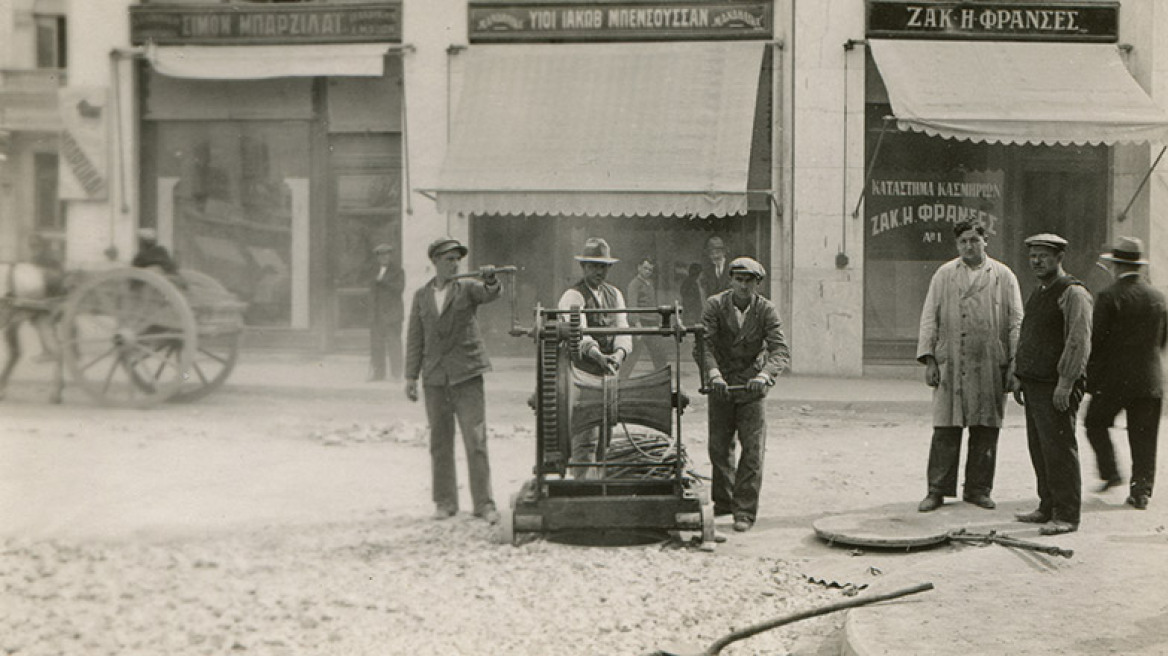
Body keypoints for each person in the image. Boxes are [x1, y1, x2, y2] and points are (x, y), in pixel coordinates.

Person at [916, 220, 1023, 512]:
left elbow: (1016, 322)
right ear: (956, 244)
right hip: (951, 361)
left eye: (974, 240)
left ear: (985, 241)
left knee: (986, 428)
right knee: (946, 428)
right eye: (963, 241)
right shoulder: (944, 275)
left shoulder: (1003, 276)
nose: (968, 246)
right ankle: (937, 490)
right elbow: (929, 317)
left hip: (990, 362)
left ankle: (978, 489)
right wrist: (929, 360)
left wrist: (1014, 364)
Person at [405, 237, 502, 523]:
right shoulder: (421, 297)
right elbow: (415, 339)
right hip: (435, 379)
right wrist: (410, 376)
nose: (455, 263)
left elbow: (490, 293)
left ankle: (484, 504)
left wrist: (492, 279)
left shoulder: (469, 289)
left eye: (457, 259)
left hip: (467, 376)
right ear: (435, 262)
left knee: (476, 441)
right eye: (448, 259)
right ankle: (445, 502)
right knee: (440, 442)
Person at [695, 257, 790, 532]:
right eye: (739, 279)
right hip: (721, 384)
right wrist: (713, 375)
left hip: (752, 386)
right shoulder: (714, 305)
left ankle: (745, 511)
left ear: (758, 284)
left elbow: (780, 350)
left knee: (752, 450)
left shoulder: (766, 310)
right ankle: (724, 502)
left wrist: (763, 376)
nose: (743, 285)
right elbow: (704, 345)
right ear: (731, 280)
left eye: (749, 280)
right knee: (719, 447)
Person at [1013, 233, 1093, 536]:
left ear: (1059, 258)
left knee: (1059, 449)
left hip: (1056, 385)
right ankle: (1047, 506)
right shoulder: (1040, 290)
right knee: (1041, 449)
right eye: (1032, 255)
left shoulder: (1073, 293)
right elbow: (1029, 334)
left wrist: (1066, 383)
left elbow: (1078, 342)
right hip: (1035, 384)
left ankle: (1067, 515)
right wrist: (1021, 375)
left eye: (1043, 256)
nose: (1036, 261)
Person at [1083, 236, 1167, 510]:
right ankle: (1141, 491)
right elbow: (1163, 340)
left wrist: (1090, 380)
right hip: (1149, 379)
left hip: (1115, 380)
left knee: (1094, 422)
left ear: (1116, 266)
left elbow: (1097, 342)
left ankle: (1111, 472)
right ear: (1139, 267)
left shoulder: (1109, 296)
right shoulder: (1159, 297)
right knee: (1145, 436)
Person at [558, 237, 632, 479]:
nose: (599, 271)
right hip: (582, 377)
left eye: (603, 266)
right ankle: (581, 487)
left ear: (609, 268)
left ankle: (601, 487)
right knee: (586, 438)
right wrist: (597, 355)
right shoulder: (573, 296)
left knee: (606, 438)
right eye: (593, 266)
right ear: (584, 267)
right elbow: (578, 333)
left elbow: (623, 328)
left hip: (609, 375)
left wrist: (620, 354)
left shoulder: (615, 295)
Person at [620, 256, 669, 378]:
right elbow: (632, 305)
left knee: (659, 352)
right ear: (639, 268)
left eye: (650, 270)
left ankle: (662, 379)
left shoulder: (650, 284)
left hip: (652, 324)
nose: (647, 272)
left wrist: (658, 321)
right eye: (645, 268)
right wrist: (637, 324)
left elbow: (653, 304)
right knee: (633, 354)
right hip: (640, 324)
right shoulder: (634, 284)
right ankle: (621, 380)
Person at [369, 242, 405, 382]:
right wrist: (371, 313)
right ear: (377, 257)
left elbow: (399, 288)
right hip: (377, 315)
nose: (384, 257)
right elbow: (372, 294)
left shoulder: (398, 271)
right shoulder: (374, 271)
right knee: (376, 345)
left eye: (386, 254)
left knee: (394, 344)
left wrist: (383, 282)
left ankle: (396, 374)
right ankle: (378, 374)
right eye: (381, 255)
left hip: (392, 314)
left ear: (390, 256)